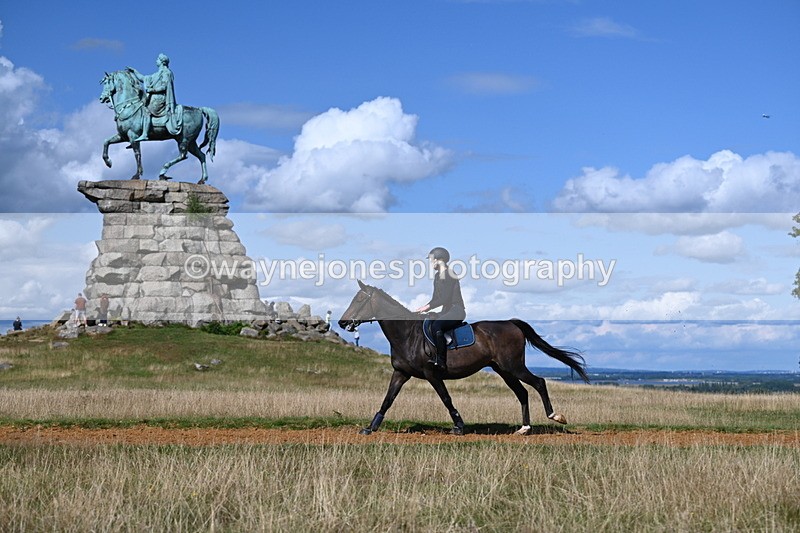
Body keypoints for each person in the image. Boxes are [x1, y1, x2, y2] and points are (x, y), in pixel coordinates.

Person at [415, 247, 466, 369]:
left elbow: (445, 298)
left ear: (440, 259)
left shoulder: (449, 274)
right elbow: (435, 299)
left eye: (432, 260)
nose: (430, 263)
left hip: (456, 311)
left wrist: (427, 307)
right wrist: (423, 309)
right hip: (446, 311)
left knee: (436, 326)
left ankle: (441, 361)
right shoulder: (438, 276)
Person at [126, 53, 180, 142]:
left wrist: (152, 90)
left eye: (157, 59)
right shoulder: (156, 74)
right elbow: (143, 78)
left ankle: (145, 134)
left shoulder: (166, 73)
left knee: (146, 110)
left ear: (162, 62)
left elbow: (164, 86)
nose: (156, 61)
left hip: (159, 99)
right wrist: (134, 72)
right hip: (153, 98)